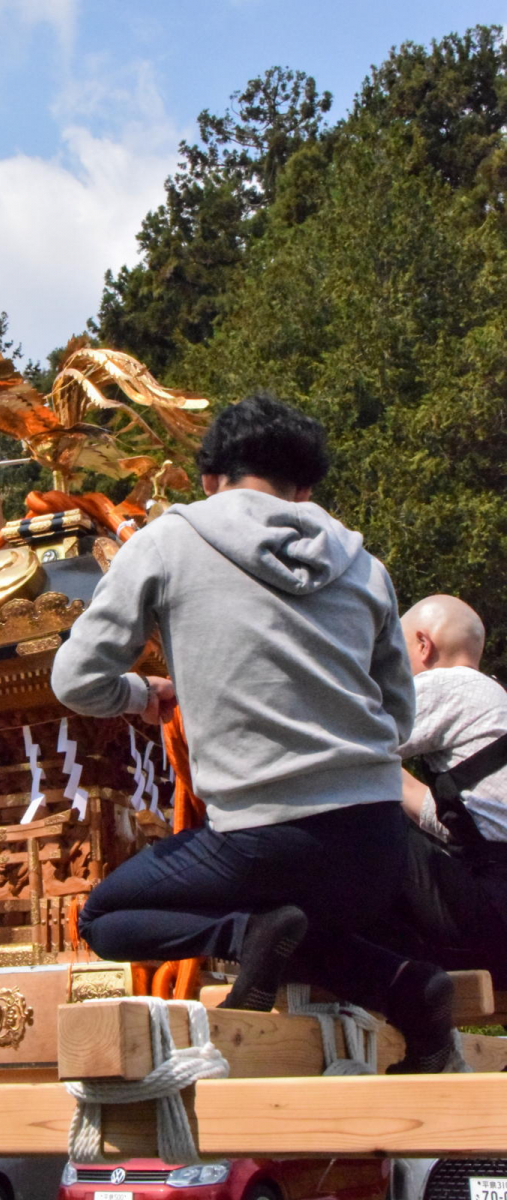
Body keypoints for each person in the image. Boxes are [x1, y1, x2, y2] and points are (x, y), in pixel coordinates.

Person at [51, 392, 461, 1073]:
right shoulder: (366, 567)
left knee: (105, 918)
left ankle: (248, 934)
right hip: (376, 845)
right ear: (305, 489)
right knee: (301, 919)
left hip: (260, 841)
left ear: (210, 477)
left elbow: (74, 680)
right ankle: (407, 988)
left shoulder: (169, 540)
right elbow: (399, 716)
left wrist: (140, 696)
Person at [388, 594, 507, 983]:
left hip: (489, 915)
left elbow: (340, 743)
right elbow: (454, 824)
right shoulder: (492, 702)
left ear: (423, 644)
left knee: (357, 819)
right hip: (496, 920)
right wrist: (381, 772)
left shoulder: (445, 686)